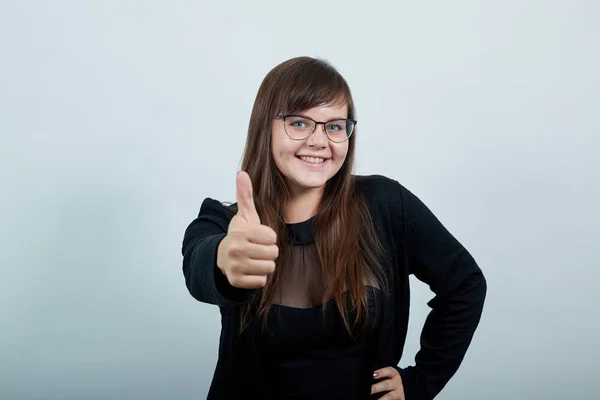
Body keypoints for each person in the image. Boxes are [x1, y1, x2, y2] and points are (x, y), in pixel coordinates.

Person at [181, 56, 487, 400]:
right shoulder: (225, 222)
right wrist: (225, 260)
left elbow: (465, 284)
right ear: (264, 127)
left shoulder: (384, 204)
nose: (318, 140)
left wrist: (421, 381)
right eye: (299, 123)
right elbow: (199, 265)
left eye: (334, 126)